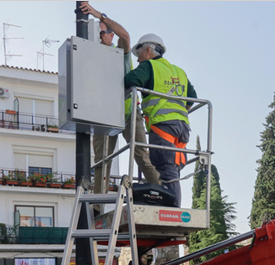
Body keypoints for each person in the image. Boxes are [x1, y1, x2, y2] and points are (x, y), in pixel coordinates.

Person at [80, 2, 160, 195]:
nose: (99, 37)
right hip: (104, 116)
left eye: (102, 33)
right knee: (102, 161)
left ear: (110, 35)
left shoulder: (120, 53)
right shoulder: (92, 58)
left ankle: (162, 193)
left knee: (141, 156)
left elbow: (125, 36)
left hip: (129, 114)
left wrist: (100, 16)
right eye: (97, 34)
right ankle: (98, 206)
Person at [124, 33, 197, 207]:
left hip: (163, 127)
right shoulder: (178, 71)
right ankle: (170, 207)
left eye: (139, 53)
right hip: (182, 130)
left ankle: (172, 211)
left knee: (166, 171)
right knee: (172, 171)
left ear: (148, 50)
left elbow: (130, 80)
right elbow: (192, 98)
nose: (139, 59)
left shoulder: (149, 66)